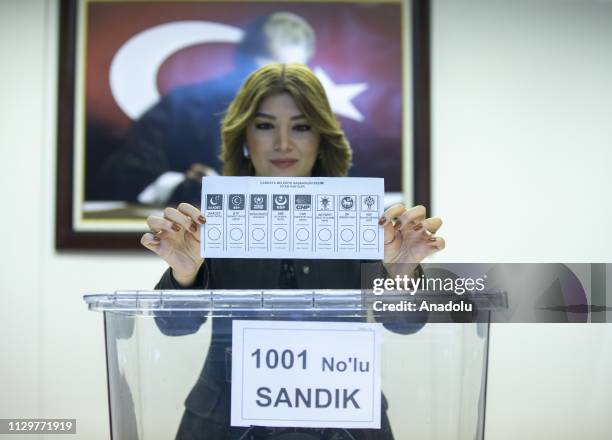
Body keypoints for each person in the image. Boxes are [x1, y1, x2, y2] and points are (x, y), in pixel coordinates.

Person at [142, 64, 444, 440]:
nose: (283, 144)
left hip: (346, 419)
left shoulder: (365, 221)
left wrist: (401, 275)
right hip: (225, 424)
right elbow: (174, 326)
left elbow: (407, 324)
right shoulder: (211, 221)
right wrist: (184, 275)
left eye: (301, 126)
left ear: (322, 137)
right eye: (266, 126)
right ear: (245, 137)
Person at [99, 12, 316, 206]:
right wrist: (188, 187)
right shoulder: (182, 106)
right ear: (240, 61)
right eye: (262, 72)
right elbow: (123, 174)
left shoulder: (313, 121)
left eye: (290, 75)